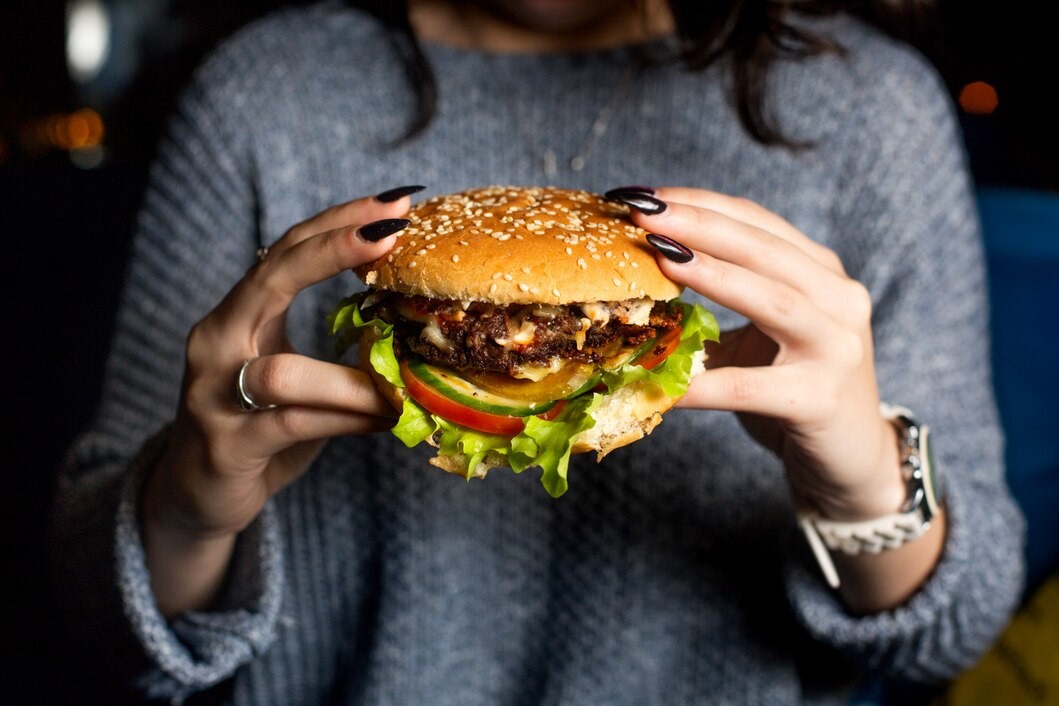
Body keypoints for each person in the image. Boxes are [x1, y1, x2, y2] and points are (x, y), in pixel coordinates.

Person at [51, 0, 1025, 703]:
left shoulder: (867, 109)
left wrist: (861, 485)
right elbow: (94, 624)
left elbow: (953, 629)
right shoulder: (262, 92)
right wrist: (186, 500)